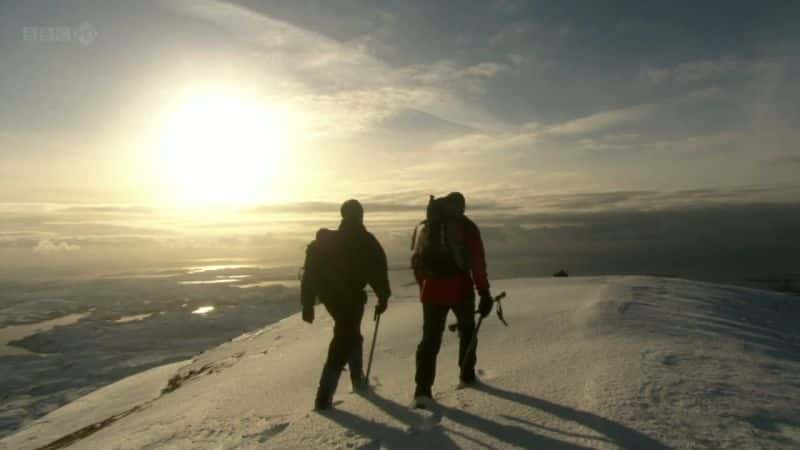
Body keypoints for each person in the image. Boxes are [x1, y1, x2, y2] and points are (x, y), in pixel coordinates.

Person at [300, 199, 391, 410]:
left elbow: (310, 276)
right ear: (360, 215)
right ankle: (324, 397)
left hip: (331, 298)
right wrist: (383, 296)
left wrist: (308, 305)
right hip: (352, 298)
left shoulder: (328, 241)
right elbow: (378, 270)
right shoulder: (365, 240)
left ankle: (357, 379)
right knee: (344, 339)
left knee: (350, 334)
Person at [411, 192, 493, 404]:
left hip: (431, 291)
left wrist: (424, 286)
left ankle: (422, 389)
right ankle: (466, 375)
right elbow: (477, 262)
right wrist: (484, 292)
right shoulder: (466, 227)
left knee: (429, 339)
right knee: (467, 331)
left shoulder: (428, 226)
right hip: (460, 289)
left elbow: (417, 261)